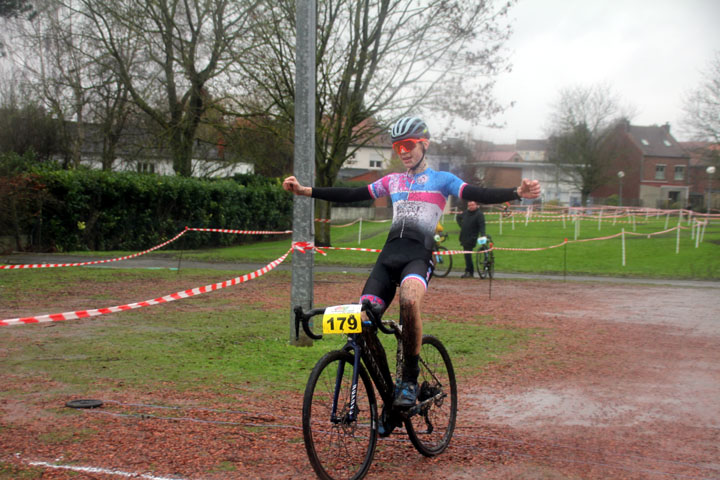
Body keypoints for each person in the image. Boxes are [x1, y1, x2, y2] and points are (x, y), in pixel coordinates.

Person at [283, 116, 541, 409]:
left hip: (417, 259)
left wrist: (516, 193)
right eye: (397, 147)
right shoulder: (392, 181)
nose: (402, 151)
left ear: (424, 144)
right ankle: (388, 389)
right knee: (363, 322)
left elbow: (476, 193)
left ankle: (409, 380)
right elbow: (353, 194)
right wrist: (306, 191)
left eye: (408, 145)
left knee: (408, 300)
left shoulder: (442, 180)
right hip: (387, 259)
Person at [456, 201, 486, 278]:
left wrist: (483, 235)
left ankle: (469, 271)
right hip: (464, 236)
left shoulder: (479, 214)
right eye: (469, 205)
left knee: (467, 254)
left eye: (472, 205)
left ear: (476, 205)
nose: (471, 207)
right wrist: (462, 225)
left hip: (472, 236)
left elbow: (482, 226)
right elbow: (458, 217)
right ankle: (469, 271)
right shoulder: (466, 212)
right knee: (466, 254)